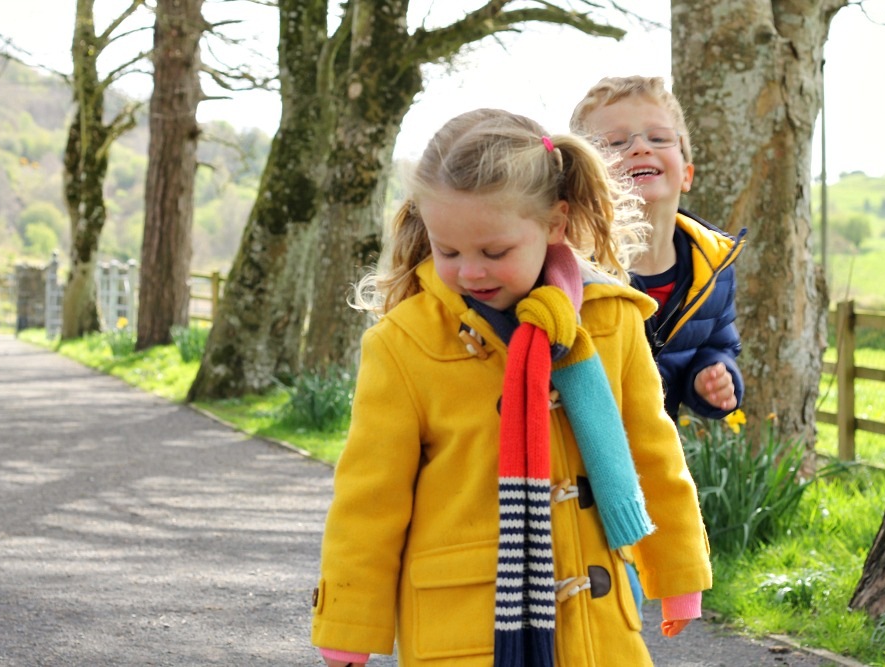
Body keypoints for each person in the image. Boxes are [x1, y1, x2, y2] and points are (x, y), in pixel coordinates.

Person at [310, 108, 712, 666]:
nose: (470, 271)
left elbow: (652, 451)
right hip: (467, 631)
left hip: (600, 634)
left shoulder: (611, 320)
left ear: (554, 222)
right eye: (447, 251)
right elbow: (369, 503)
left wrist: (677, 569)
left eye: (493, 252)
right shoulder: (405, 344)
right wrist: (349, 621)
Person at [570, 75, 747, 422]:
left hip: (656, 453)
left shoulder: (712, 267)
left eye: (659, 138)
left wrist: (712, 374)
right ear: (584, 178)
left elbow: (716, 344)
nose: (640, 147)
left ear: (687, 173)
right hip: (574, 452)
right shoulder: (570, 267)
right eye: (615, 142)